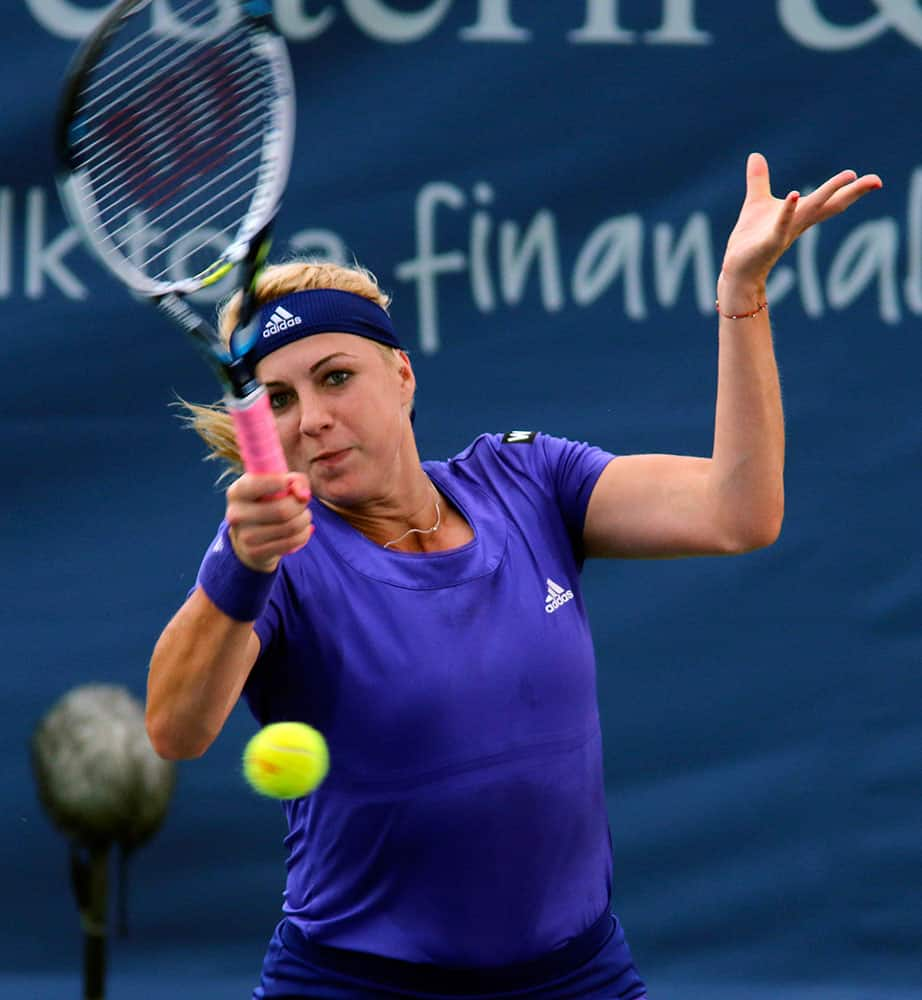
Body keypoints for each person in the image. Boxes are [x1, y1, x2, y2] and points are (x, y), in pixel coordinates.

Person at [146, 153, 881, 999]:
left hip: (578, 979)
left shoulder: (527, 482)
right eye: (275, 399)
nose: (311, 418)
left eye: (335, 377)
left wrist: (741, 299)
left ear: (402, 374)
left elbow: (738, 512)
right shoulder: (271, 552)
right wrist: (240, 566)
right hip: (354, 986)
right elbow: (175, 730)